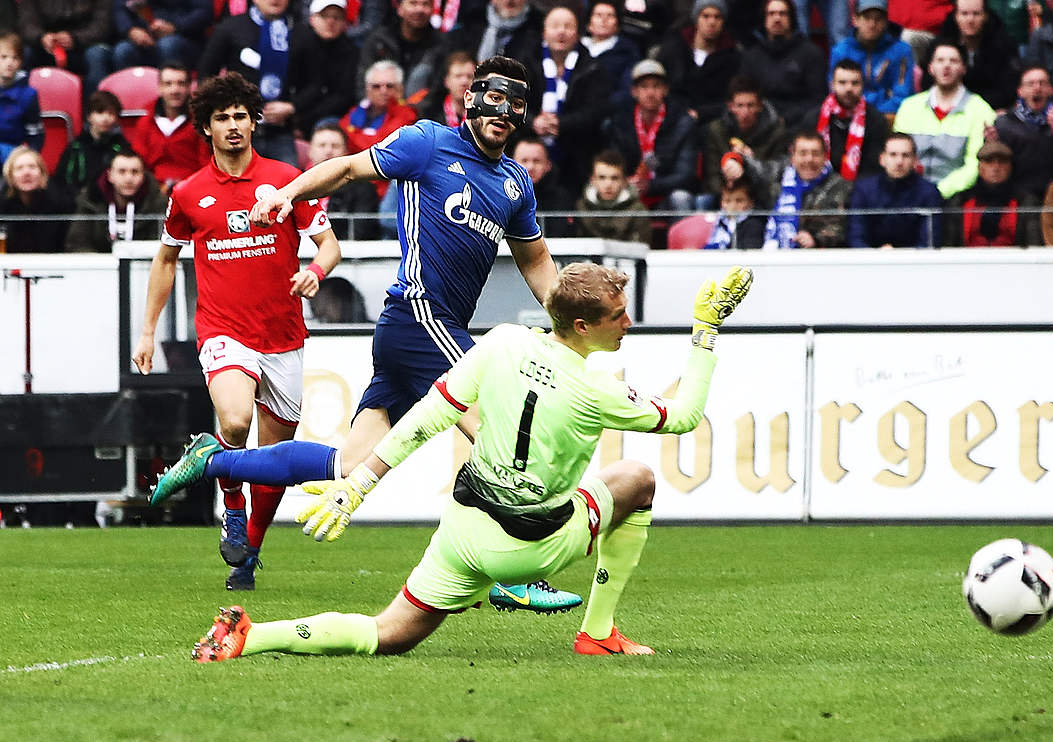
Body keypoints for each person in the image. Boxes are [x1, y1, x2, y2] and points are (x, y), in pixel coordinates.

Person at [151, 57, 579, 615]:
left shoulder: (514, 181)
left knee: (350, 464)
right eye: (493, 99)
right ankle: (506, 570)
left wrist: (569, 318)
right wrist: (287, 195)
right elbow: (348, 168)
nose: (503, 113)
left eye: (516, 105)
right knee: (500, 433)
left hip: (425, 330)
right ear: (471, 100)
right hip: (420, 318)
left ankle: (212, 461)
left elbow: (538, 261)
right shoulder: (427, 143)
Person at [190, 263, 754, 663]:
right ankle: (599, 632)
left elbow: (428, 416)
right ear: (582, 327)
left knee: (388, 633)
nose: (626, 323)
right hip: (535, 548)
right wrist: (706, 330)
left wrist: (358, 484)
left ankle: (254, 636)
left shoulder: (501, 341)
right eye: (617, 315)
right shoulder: (599, 389)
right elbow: (682, 416)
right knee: (637, 479)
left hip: (463, 530)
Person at [134, 72, 343, 591]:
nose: (232, 126)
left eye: (240, 116)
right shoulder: (188, 193)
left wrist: (314, 272)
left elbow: (330, 246)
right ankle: (230, 505)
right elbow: (165, 261)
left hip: (284, 335)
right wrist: (146, 332)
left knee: (273, 463)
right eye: (220, 118)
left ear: (254, 121)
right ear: (205, 127)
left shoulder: (288, 178)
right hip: (223, 331)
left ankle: (248, 550)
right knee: (233, 420)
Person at [525, 5, 616, 193]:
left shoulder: (592, 67)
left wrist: (560, 123)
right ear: (544, 32)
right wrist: (533, 121)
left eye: (568, 26)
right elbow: (511, 104)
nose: (561, 31)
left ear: (577, 33)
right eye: (555, 26)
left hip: (575, 147)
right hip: (530, 140)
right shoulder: (525, 62)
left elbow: (595, 110)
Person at [197, 0, 301, 165]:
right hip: (237, 128)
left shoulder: (299, 31)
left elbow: (314, 82)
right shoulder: (231, 28)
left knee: (290, 185)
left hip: (281, 132)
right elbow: (206, 75)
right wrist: (228, 108)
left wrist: (292, 107)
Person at [893, 41, 996, 199]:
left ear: (963, 68)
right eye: (940, 60)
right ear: (930, 67)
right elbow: (897, 154)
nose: (946, 66)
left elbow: (975, 166)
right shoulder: (909, 107)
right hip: (908, 193)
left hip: (956, 198)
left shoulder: (980, 110)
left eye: (953, 61)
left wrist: (937, 192)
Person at [602, 59, 699, 213]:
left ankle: (682, 237)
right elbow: (614, 163)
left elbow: (686, 175)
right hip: (629, 192)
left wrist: (651, 186)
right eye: (644, 86)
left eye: (656, 86)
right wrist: (625, 182)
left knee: (681, 198)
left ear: (665, 90)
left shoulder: (683, 122)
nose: (650, 93)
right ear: (634, 91)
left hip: (666, 194)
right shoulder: (621, 122)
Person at [990, 63, 1053, 200]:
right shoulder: (1005, 123)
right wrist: (991, 143)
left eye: (1042, 83)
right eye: (1030, 84)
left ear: (1051, 89)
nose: (1037, 88)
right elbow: (999, 165)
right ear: (1020, 91)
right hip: (1018, 196)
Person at [737, 0, 826, 128]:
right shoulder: (751, 56)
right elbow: (743, 94)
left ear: (792, 18)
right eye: (771, 14)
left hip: (799, 123)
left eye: (782, 13)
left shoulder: (811, 54)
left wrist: (786, 119)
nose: (777, 18)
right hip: (760, 122)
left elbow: (817, 100)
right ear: (764, 19)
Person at [654, 0, 742, 127]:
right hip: (671, 118)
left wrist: (701, 113)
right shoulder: (674, 48)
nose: (712, 22)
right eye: (705, 16)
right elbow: (659, 85)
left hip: (712, 123)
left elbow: (732, 100)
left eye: (717, 17)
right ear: (696, 19)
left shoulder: (733, 57)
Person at [702, 75, 789, 203]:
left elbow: (776, 173)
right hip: (725, 193)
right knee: (702, 201)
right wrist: (728, 190)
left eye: (750, 105)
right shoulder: (717, 130)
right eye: (739, 106)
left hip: (761, 195)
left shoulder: (776, 131)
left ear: (760, 106)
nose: (745, 112)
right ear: (730, 106)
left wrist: (751, 161)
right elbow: (712, 174)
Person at [847, 133, 943, 249]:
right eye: (893, 155)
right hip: (870, 261)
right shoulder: (863, 190)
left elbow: (930, 241)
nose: (899, 162)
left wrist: (900, 257)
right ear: (882, 159)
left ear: (914, 160)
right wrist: (875, 256)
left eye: (905, 155)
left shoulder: (929, 192)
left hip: (914, 262)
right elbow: (855, 237)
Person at [802, 59, 888, 184]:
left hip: (860, 189)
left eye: (855, 83)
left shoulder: (875, 120)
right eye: (842, 82)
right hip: (818, 186)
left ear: (862, 86)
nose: (849, 88)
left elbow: (874, 167)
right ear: (832, 85)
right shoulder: (814, 118)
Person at [944, 138, 1042, 247]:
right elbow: (950, 245)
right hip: (969, 262)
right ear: (980, 168)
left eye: (1002, 162)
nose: (996, 167)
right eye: (989, 161)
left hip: (1013, 262)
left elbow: (1034, 245)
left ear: (1010, 167)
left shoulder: (1026, 201)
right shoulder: (960, 201)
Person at [763, 130, 852, 249]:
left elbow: (841, 226)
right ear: (792, 157)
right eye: (803, 153)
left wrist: (815, 239)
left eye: (815, 153)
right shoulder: (777, 185)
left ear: (825, 157)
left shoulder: (841, 186)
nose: (809, 159)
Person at [129, 62, 211, 190]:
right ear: (159, 88)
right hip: (152, 192)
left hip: (193, 189)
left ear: (190, 87)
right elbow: (139, 163)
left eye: (181, 83)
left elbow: (206, 164)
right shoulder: (145, 122)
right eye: (168, 84)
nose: (175, 90)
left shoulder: (201, 122)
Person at [65, 152, 169, 252]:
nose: (129, 178)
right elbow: (77, 243)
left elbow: (161, 247)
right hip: (99, 267)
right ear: (110, 175)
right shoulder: (90, 200)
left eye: (135, 172)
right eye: (122, 171)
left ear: (143, 175)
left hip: (143, 267)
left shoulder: (158, 203)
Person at [827, 0, 915, 118]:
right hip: (850, 115)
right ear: (855, 20)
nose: (872, 24)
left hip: (888, 116)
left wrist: (872, 116)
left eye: (878, 19)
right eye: (867, 18)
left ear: (886, 22)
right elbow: (836, 92)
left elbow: (902, 95)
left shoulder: (901, 51)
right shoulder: (841, 50)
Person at [927, 0, 1020, 110]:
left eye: (976, 14)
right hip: (945, 107)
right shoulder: (940, 46)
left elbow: (1008, 90)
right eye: (964, 14)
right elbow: (928, 83)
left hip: (991, 108)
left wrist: (973, 107)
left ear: (985, 16)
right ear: (956, 16)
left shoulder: (1003, 45)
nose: (970, 20)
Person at [16, 0, 114, 98]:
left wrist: (75, 38)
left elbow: (102, 25)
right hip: (45, 47)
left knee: (97, 55)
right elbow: (26, 23)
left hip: (84, 46)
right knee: (25, 53)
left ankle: (96, 108)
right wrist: (41, 37)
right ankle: (24, 105)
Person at [289, 0, 359, 135]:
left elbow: (343, 97)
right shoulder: (298, 44)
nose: (331, 22)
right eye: (324, 16)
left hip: (331, 117)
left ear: (345, 22)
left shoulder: (351, 52)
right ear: (312, 18)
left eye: (337, 17)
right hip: (294, 113)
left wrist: (303, 119)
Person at [357, 0, 444, 100]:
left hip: (421, 111)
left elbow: (437, 90)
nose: (420, 9)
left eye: (426, 4)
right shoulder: (379, 40)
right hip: (383, 109)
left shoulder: (441, 45)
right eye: (413, 3)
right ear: (400, 8)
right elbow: (362, 83)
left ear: (433, 9)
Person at [52, 90, 134, 197]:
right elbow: (62, 180)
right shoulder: (76, 148)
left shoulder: (122, 148)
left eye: (111, 113)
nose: (105, 118)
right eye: (100, 112)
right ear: (89, 116)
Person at [306, 123, 380, 240]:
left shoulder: (363, 188)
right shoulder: (294, 182)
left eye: (335, 146)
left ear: (346, 152)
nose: (328, 151)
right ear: (309, 151)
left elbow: (359, 232)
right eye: (322, 145)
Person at [0, 146, 71, 252]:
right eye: (19, 168)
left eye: (32, 167)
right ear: (10, 177)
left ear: (42, 174)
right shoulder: (2, 204)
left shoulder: (60, 203)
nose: (27, 173)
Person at [340, 60, 418, 155]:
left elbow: (379, 146)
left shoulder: (407, 114)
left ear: (400, 89)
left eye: (389, 86)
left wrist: (349, 135)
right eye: (376, 86)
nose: (383, 91)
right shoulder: (357, 111)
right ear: (367, 89)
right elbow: (340, 134)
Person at [112, 0, 212, 72]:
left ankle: (167, 94)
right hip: (144, 38)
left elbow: (204, 12)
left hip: (184, 38)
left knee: (167, 45)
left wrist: (175, 27)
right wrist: (130, 29)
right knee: (123, 50)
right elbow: (119, 7)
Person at [575, 149, 650, 243]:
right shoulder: (581, 207)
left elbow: (641, 249)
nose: (608, 184)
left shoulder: (638, 210)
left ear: (624, 181)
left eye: (614, 178)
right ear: (592, 180)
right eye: (602, 178)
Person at [511, 136, 575, 238]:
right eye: (524, 161)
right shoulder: (501, 195)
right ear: (512, 164)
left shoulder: (562, 198)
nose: (530, 167)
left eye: (536, 161)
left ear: (548, 165)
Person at [582, 1, 642, 110]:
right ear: (589, 23)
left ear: (617, 25)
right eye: (598, 15)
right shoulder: (577, 48)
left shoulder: (627, 51)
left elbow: (626, 90)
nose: (604, 20)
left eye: (610, 16)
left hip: (608, 112)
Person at [0, 32, 42, 164]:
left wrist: (29, 159)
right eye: (3, 57)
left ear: (21, 63)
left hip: (12, 155)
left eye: (15, 58)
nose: (9, 63)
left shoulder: (28, 95)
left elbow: (35, 136)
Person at [414, 50, 476, 127]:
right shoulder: (429, 113)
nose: (464, 82)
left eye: (469, 76)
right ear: (447, 81)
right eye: (458, 76)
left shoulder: (483, 114)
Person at [703, 177, 766, 250]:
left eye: (739, 201)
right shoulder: (714, 222)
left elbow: (748, 253)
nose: (733, 206)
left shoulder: (754, 225)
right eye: (727, 201)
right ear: (721, 202)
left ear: (750, 202)